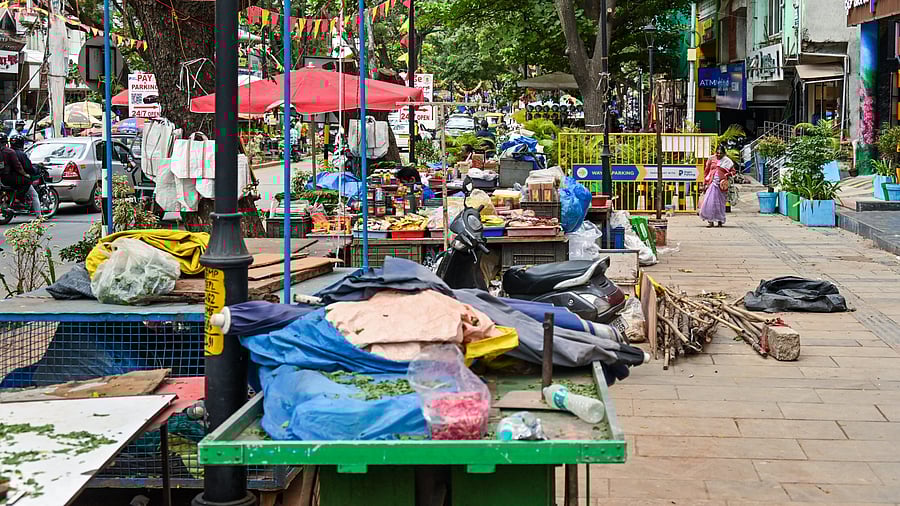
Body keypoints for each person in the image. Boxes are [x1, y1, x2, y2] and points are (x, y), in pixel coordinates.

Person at [0, 133, 39, 217]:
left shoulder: (6, 151)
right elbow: (18, 166)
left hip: (2, 178)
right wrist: (25, 174)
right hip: (9, 178)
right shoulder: (10, 152)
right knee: (28, 181)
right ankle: (18, 199)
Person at [699, 145, 735, 227]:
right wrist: (705, 181)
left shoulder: (727, 161)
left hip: (722, 185)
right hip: (712, 183)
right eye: (717, 153)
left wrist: (727, 174)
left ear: (724, 153)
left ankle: (720, 221)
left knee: (720, 204)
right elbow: (706, 170)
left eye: (721, 153)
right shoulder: (711, 159)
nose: (718, 155)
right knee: (709, 202)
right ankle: (710, 221)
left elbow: (733, 172)